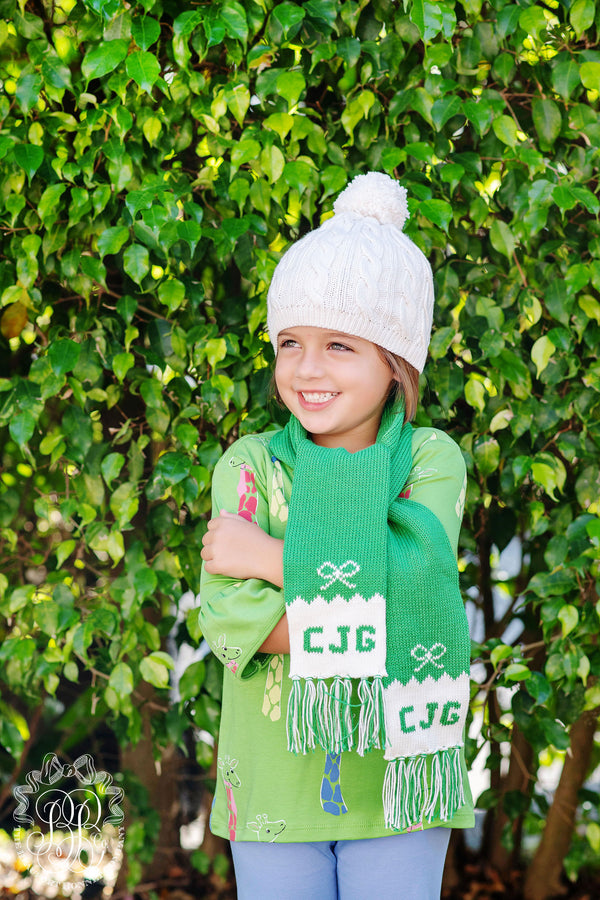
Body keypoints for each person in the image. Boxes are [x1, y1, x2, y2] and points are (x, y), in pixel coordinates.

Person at [198, 171, 474, 900]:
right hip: (271, 791)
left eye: (340, 346)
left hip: (398, 786)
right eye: (290, 342)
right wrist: (361, 596)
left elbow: (408, 599)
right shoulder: (251, 466)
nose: (307, 368)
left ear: (395, 361)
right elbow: (231, 618)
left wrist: (268, 558)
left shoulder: (428, 462)